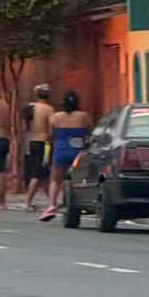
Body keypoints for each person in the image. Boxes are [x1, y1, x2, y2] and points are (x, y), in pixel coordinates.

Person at [40, 90, 92, 222]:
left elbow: (50, 135)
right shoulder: (83, 116)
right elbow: (90, 132)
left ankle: (52, 205)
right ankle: (80, 202)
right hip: (78, 152)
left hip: (60, 151)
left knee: (55, 180)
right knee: (79, 179)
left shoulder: (55, 117)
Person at [23, 84, 55, 212]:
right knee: (38, 172)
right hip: (44, 143)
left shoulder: (31, 108)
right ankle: (28, 201)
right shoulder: (49, 109)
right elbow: (51, 129)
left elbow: (25, 126)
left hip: (32, 142)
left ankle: (52, 201)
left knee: (44, 173)